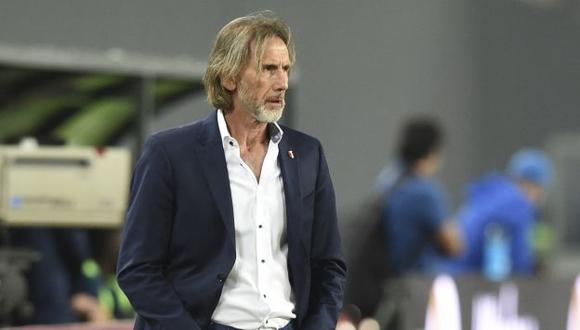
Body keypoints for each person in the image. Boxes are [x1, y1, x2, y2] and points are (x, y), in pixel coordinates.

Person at [116, 12, 346, 330]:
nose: (282, 83)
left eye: (285, 69)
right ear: (229, 78)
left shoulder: (308, 155)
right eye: (268, 69)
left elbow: (328, 265)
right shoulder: (170, 154)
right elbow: (137, 269)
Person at [453, 148, 554, 276]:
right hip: (473, 279)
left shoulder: (490, 193)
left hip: (453, 271)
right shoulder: (518, 203)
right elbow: (520, 261)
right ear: (534, 185)